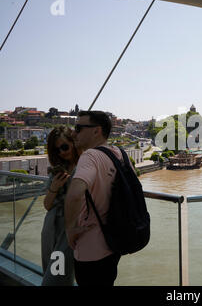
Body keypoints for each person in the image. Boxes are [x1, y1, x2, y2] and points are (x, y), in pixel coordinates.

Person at [65, 110, 129, 286]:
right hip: (115, 241)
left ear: (96, 131)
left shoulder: (90, 156)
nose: (73, 133)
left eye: (78, 128)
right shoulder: (120, 154)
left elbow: (75, 194)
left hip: (90, 247)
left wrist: (70, 228)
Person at [41, 126, 80, 286]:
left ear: (73, 143)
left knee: (56, 278)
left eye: (64, 147)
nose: (62, 152)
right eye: (57, 150)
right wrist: (55, 186)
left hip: (70, 226)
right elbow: (47, 205)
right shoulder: (57, 171)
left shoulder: (84, 167)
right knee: (50, 270)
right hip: (50, 227)